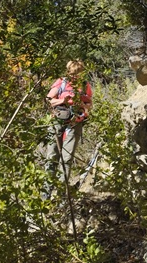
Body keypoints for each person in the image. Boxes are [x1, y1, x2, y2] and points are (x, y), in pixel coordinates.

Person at [43, 60, 93, 195]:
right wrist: (62, 101)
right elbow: (49, 100)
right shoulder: (61, 82)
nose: (76, 76)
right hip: (58, 120)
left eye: (79, 74)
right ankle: (46, 193)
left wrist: (84, 107)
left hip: (75, 122)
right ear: (69, 72)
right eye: (74, 73)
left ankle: (60, 194)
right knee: (52, 155)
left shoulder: (85, 85)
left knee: (67, 158)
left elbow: (89, 103)